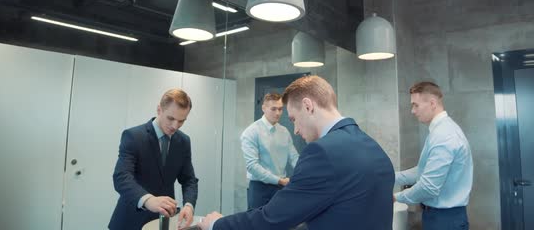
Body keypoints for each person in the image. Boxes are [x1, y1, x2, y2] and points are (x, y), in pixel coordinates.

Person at [199, 75, 395, 230]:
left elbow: (271, 218)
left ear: (308, 106)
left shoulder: (321, 152)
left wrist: (217, 224)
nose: (296, 130)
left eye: (293, 119)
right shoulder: (372, 145)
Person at [109, 88, 199, 230]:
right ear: (159, 110)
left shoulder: (183, 141)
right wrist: (148, 200)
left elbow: (189, 180)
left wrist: (189, 205)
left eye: (181, 121)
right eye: (171, 118)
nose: (175, 126)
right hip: (131, 221)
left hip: (164, 223)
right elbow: (121, 177)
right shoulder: (133, 136)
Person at [394, 82, 473, 230]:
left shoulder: (444, 136)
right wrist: (390, 177)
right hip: (440, 217)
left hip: (445, 220)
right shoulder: (441, 131)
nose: (412, 111)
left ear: (432, 103)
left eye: (415, 105)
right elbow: (423, 171)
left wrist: (395, 198)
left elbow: (428, 187)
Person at [241, 93, 299, 209]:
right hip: (260, 189)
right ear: (264, 108)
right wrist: (279, 180)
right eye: (273, 109)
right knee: (257, 226)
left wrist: (305, 172)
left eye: (280, 109)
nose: (277, 113)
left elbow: (294, 157)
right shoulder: (251, 132)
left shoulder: (284, 131)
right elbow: (252, 166)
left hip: (281, 188)